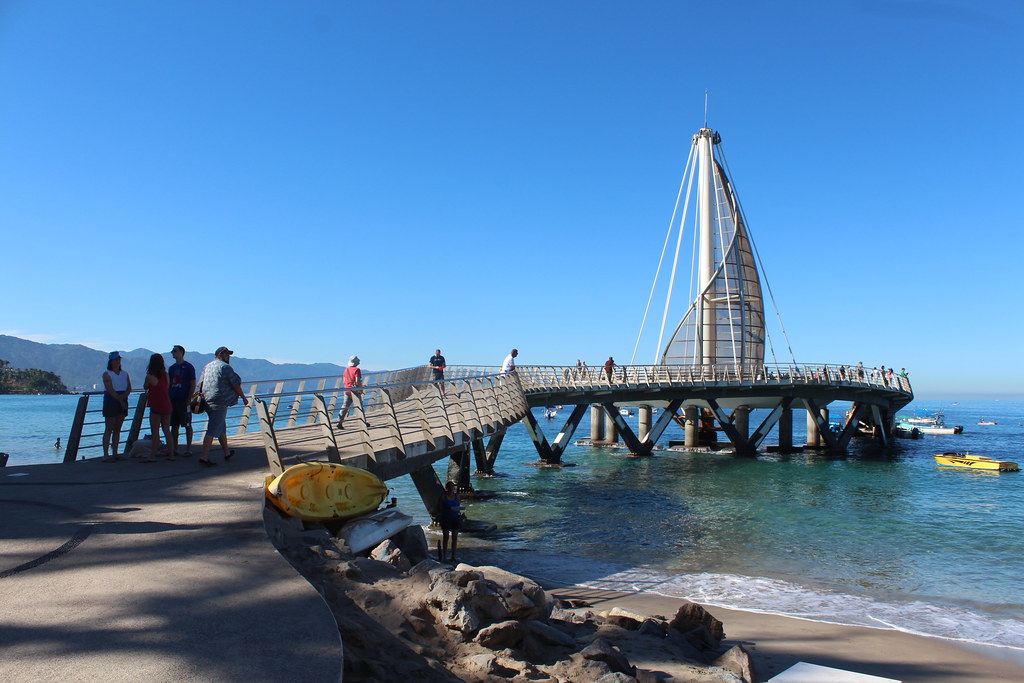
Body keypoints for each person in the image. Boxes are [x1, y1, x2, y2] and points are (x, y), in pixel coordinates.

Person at [198, 346, 248, 467]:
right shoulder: (225, 367)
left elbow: (201, 383)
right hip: (220, 401)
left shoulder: (207, 366)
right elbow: (235, 384)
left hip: (207, 399)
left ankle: (226, 453)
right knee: (212, 428)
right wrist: (243, 397)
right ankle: (203, 457)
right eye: (226, 354)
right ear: (220, 355)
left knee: (221, 427)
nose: (228, 357)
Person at [142, 353, 174, 462]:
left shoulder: (150, 377)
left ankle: (152, 456)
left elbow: (145, 387)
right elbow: (167, 386)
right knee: (167, 430)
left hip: (156, 405)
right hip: (166, 404)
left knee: (155, 431)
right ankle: (171, 454)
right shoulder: (166, 375)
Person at [101, 351, 131, 462]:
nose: (118, 361)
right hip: (111, 401)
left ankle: (115, 453)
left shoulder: (125, 373)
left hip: (122, 399)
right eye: (115, 359)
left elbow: (129, 388)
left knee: (118, 428)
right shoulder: (107, 373)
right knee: (109, 428)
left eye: (119, 359)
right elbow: (110, 389)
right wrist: (120, 400)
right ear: (111, 361)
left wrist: (123, 398)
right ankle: (105, 454)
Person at [168, 345, 196, 458]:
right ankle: (175, 448)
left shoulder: (188, 367)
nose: (172, 353)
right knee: (174, 425)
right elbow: (169, 384)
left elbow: (192, 383)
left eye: (175, 351)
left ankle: (189, 448)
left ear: (181, 352)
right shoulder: (171, 368)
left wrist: (189, 398)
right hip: (173, 400)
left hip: (184, 400)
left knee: (187, 424)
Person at [437, 481, 462, 563]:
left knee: (455, 537)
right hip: (446, 518)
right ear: (447, 488)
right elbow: (439, 508)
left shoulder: (457, 496)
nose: (452, 488)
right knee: (446, 537)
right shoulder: (443, 496)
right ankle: (444, 556)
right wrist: (448, 510)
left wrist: (457, 509)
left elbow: (458, 505)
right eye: (450, 487)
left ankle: (453, 557)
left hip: (455, 517)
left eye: (453, 487)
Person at [336, 355, 363, 429]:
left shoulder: (346, 370)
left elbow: (344, 381)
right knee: (359, 406)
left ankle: (339, 422)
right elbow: (357, 381)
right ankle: (363, 422)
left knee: (345, 406)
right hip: (355, 390)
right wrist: (361, 388)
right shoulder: (357, 370)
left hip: (347, 389)